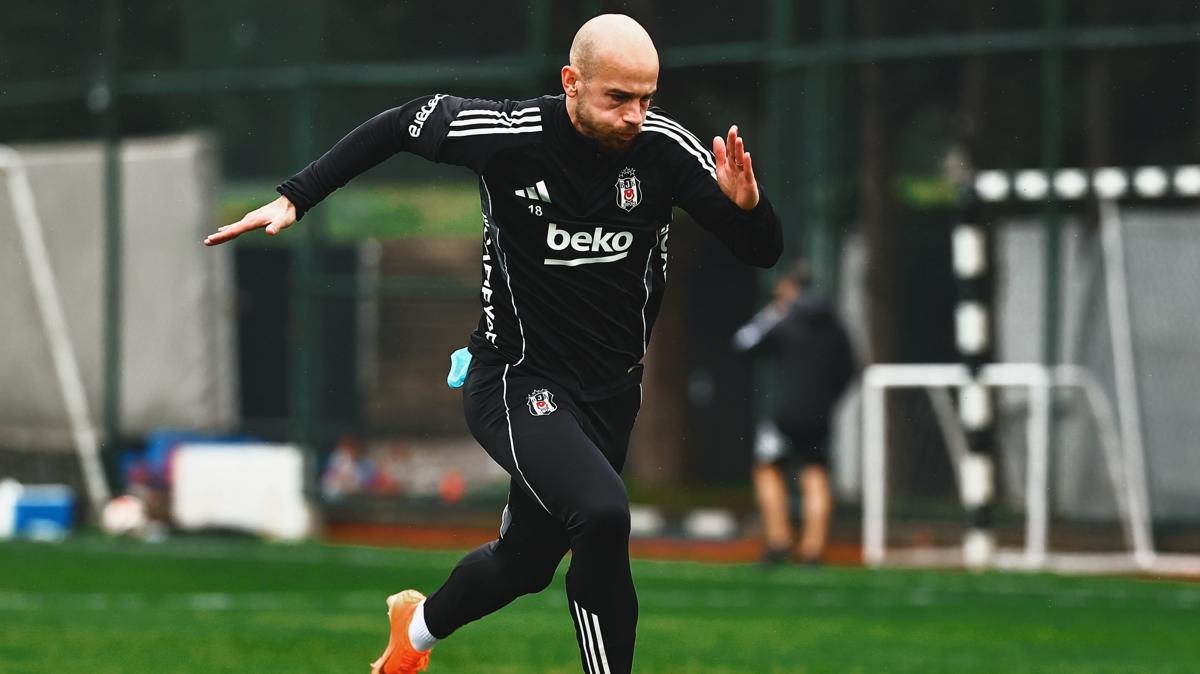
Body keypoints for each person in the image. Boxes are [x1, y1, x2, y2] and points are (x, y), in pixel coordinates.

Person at [205, 14, 781, 674]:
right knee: (602, 514)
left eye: (646, 98)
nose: (634, 116)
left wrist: (749, 206)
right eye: (617, 97)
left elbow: (761, 250)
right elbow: (400, 125)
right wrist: (297, 197)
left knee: (526, 565)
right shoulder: (509, 135)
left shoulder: (665, 150)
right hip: (516, 378)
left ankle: (413, 635)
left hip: (612, 394)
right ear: (571, 82)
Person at [733, 260, 854, 566]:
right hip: (819, 414)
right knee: (816, 476)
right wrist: (829, 399)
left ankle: (779, 541)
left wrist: (772, 313)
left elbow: (744, 344)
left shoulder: (784, 320)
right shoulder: (835, 326)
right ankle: (813, 549)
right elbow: (850, 369)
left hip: (784, 415)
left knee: (767, 468)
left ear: (788, 287)